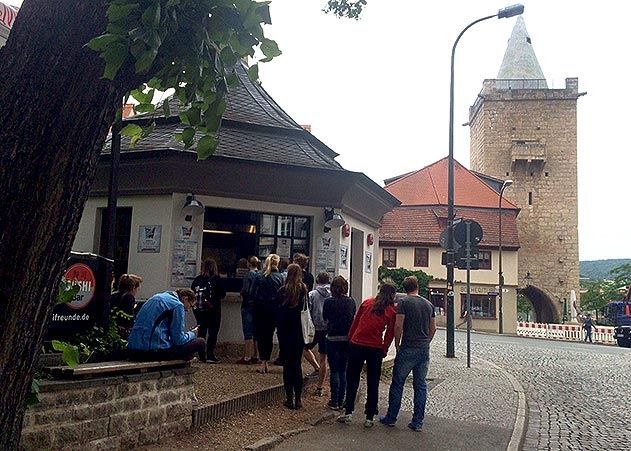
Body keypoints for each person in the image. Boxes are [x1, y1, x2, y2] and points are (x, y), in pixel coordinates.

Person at [337, 282, 397, 428]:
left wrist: (350, 339)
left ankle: (348, 412)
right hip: (375, 347)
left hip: (357, 344)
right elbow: (389, 333)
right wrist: (384, 348)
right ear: (392, 295)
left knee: (352, 379)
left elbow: (355, 323)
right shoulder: (390, 311)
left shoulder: (367, 303)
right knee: (373, 382)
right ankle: (369, 416)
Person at [380, 276, 436, 432]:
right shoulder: (429, 304)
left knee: (398, 383)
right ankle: (417, 422)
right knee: (420, 386)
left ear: (405, 288)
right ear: (417, 286)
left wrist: (397, 345)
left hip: (408, 347)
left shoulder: (403, 303)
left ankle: (391, 417)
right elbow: (434, 328)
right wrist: (427, 342)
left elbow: (398, 326)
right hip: (423, 349)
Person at [127, 288, 206, 361]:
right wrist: (193, 333)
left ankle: (189, 357)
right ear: (185, 299)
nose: (188, 310)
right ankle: (203, 360)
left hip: (133, 350)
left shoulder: (156, 297)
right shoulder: (177, 305)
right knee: (200, 342)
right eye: (191, 306)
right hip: (151, 352)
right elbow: (179, 340)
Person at [276, 264, 309, 409]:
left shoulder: (282, 291)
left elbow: (277, 311)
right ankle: (298, 399)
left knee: (287, 365)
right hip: (299, 331)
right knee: (297, 364)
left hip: (285, 331)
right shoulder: (303, 290)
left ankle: (289, 397)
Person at [322, 275, 356, 410]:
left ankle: (334, 400)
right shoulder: (351, 301)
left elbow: (325, 318)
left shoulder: (329, 302)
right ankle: (342, 400)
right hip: (347, 339)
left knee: (334, 370)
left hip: (332, 337)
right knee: (343, 370)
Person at [253, 253, 284, 374]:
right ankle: (266, 360)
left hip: (260, 309)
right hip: (274, 310)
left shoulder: (259, 276)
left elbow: (252, 293)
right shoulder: (280, 277)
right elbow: (282, 295)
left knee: (262, 335)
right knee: (270, 335)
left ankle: (263, 361)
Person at [191, 258, 226, 363]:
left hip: (200, 311)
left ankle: (201, 355)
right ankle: (210, 355)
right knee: (213, 333)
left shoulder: (197, 279)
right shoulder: (216, 279)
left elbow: (192, 293)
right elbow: (222, 294)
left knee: (201, 332)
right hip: (213, 310)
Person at [305, 272, 331, 396]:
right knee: (324, 358)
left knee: (304, 348)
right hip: (327, 329)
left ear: (317, 280)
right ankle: (319, 387)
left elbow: (307, 310)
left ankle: (315, 367)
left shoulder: (312, 294)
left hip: (315, 328)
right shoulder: (332, 294)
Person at [237, 256, 261, 364]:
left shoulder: (248, 275)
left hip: (247, 306)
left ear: (248, 264)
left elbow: (245, 290)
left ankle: (247, 356)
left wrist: (242, 295)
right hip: (257, 306)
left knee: (248, 331)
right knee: (256, 332)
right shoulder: (260, 275)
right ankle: (256, 355)